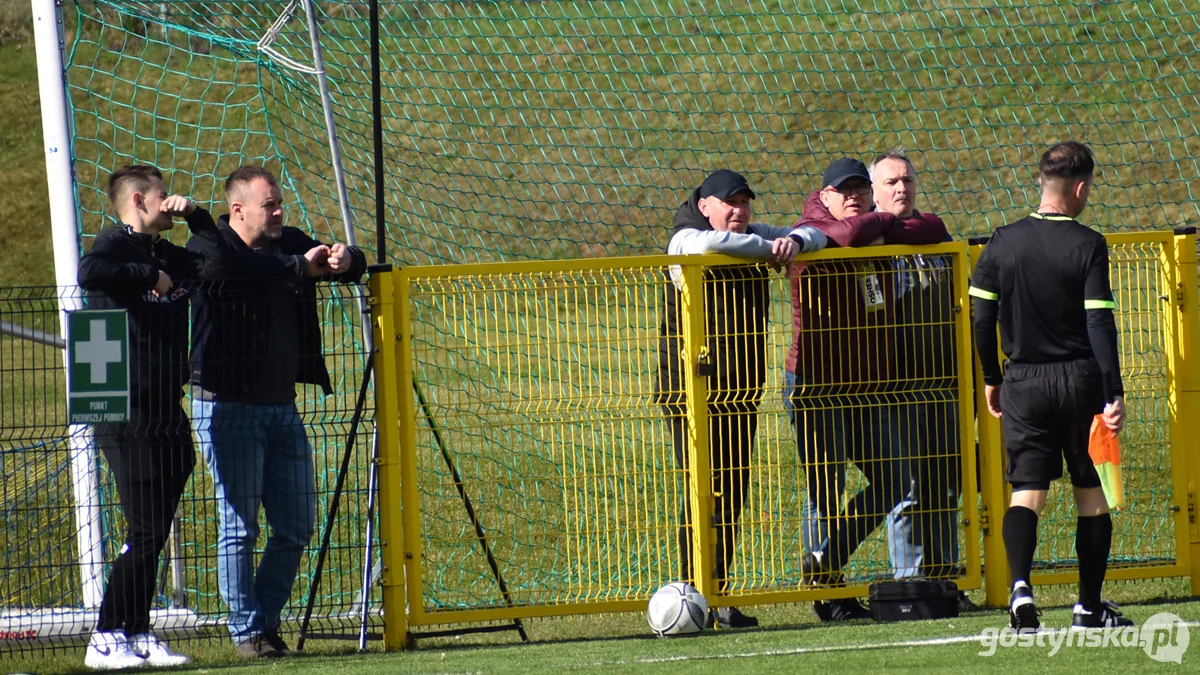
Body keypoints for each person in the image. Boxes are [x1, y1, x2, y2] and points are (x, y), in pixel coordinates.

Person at [187, 165, 367, 657]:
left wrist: (344, 258)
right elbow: (232, 269)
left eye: (280, 202)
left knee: (295, 526)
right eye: (270, 204)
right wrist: (295, 268)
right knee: (239, 526)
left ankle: (264, 621)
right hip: (227, 407)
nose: (280, 211)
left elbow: (354, 265)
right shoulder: (209, 246)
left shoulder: (290, 240)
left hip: (282, 407)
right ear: (237, 209)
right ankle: (246, 633)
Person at [657, 169, 827, 629]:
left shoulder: (752, 234)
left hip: (740, 388)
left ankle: (718, 592)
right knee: (703, 489)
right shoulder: (684, 237)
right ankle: (695, 591)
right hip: (690, 389)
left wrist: (793, 241)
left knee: (730, 492)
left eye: (745, 202)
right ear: (704, 204)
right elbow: (709, 247)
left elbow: (816, 235)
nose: (738, 211)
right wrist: (771, 247)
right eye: (728, 203)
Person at [970, 141, 1129, 631]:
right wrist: (1112, 390)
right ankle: (1087, 606)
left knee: (1027, 491)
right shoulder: (1088, 244)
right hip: (1080, 381)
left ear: (1041, 180)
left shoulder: (1002, 241)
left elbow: (981, 315)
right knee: (1091, 492)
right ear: (1080, 187)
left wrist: (992, 377)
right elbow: (1099, 324)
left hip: (1023, 381)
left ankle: (1021, 589)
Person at [786, 157, 947, 621]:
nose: (854, 196)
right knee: (825, 488)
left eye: (861, 189)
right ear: (826, 195)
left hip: (868, 383)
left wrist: (882, 225)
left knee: (896, 481)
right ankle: (827, 596)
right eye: (845, 190)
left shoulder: (866, 223)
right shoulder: (811, 223)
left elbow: (932, 227)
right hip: (817, 382)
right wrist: (878, 223)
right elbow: (843, 236)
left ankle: (827, 561)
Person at [78, 165, 219, 669]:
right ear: (139, 200)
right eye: (164, 193)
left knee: (155, 525)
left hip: (165, 402)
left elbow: (215, 265)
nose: (171, 199)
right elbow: (89, 271)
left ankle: (136, 631)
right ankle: (105, 636)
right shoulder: (116, 244)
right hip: (123, 401)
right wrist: (149, 277)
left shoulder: (166, 252)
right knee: (145, 530)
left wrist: (199, 217)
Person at [869, 150, 977, 611]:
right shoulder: (868, 244)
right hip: (894, 387)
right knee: (909, 487)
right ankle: (911, 586)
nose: (901, 188)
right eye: (891, 181)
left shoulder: (940, 239)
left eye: (908, 179)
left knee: (945, 484)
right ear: (873, 190)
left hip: (948, 382)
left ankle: (945, 581)